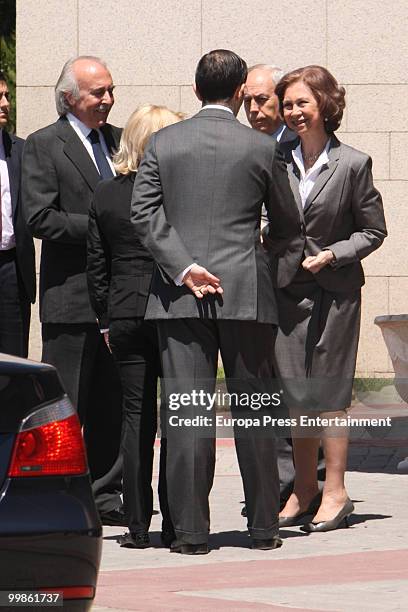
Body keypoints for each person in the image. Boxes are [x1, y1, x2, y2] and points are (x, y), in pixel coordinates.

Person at [131, 49, 302, 554]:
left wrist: (183, 266)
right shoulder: (262, 147)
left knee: (187, 416)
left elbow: (144, 215)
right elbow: (289, 221)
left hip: (179, 297)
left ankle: (190, 534)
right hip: (245, 291)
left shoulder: (163, 142)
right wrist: (257, 250)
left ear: (195, 89)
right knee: (255, 412)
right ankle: (264, 528)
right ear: (239, 93)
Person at [273, 65, 387, 531]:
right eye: (288, 104)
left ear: (324, 104)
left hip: (335, 293)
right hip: (286, 292)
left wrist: (334, 255)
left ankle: (335, 492)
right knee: (297, 396)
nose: (293, 112)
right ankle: (303, 489)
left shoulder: (353, 163)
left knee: (330, 395)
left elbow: (373, 230)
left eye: (302, 102)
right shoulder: (277, 158)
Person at [21, 56, 124, 524]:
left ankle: (107, 495)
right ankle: (59, 496)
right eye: (97, 92)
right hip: (71, 298)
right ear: (69, 98)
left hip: (119, 299)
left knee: (111, 402)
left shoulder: (119, 141)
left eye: (109, 90)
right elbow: (40, 217)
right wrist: (104, 228)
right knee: (67, 407)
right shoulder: (45, 145)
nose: (107, 100)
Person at [87, 104, 183, 548]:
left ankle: (138, 524)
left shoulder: (105, 193)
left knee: (135, 417)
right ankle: (178, 520)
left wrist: (105, 319)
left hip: (124, 313)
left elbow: (97, 266)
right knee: (177, 416)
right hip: (173, 308)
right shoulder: (178, 193)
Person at [0, 70, 35, 357]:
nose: (5, 104)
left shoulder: (20, 150)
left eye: (7, 96)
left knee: (14, 359)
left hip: (12, 268)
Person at [244, 64, 296, 143]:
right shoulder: (241, 145)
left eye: (261, 99)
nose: (252, 109)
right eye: (247, 100)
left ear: (282, 98)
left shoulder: (301, 143)